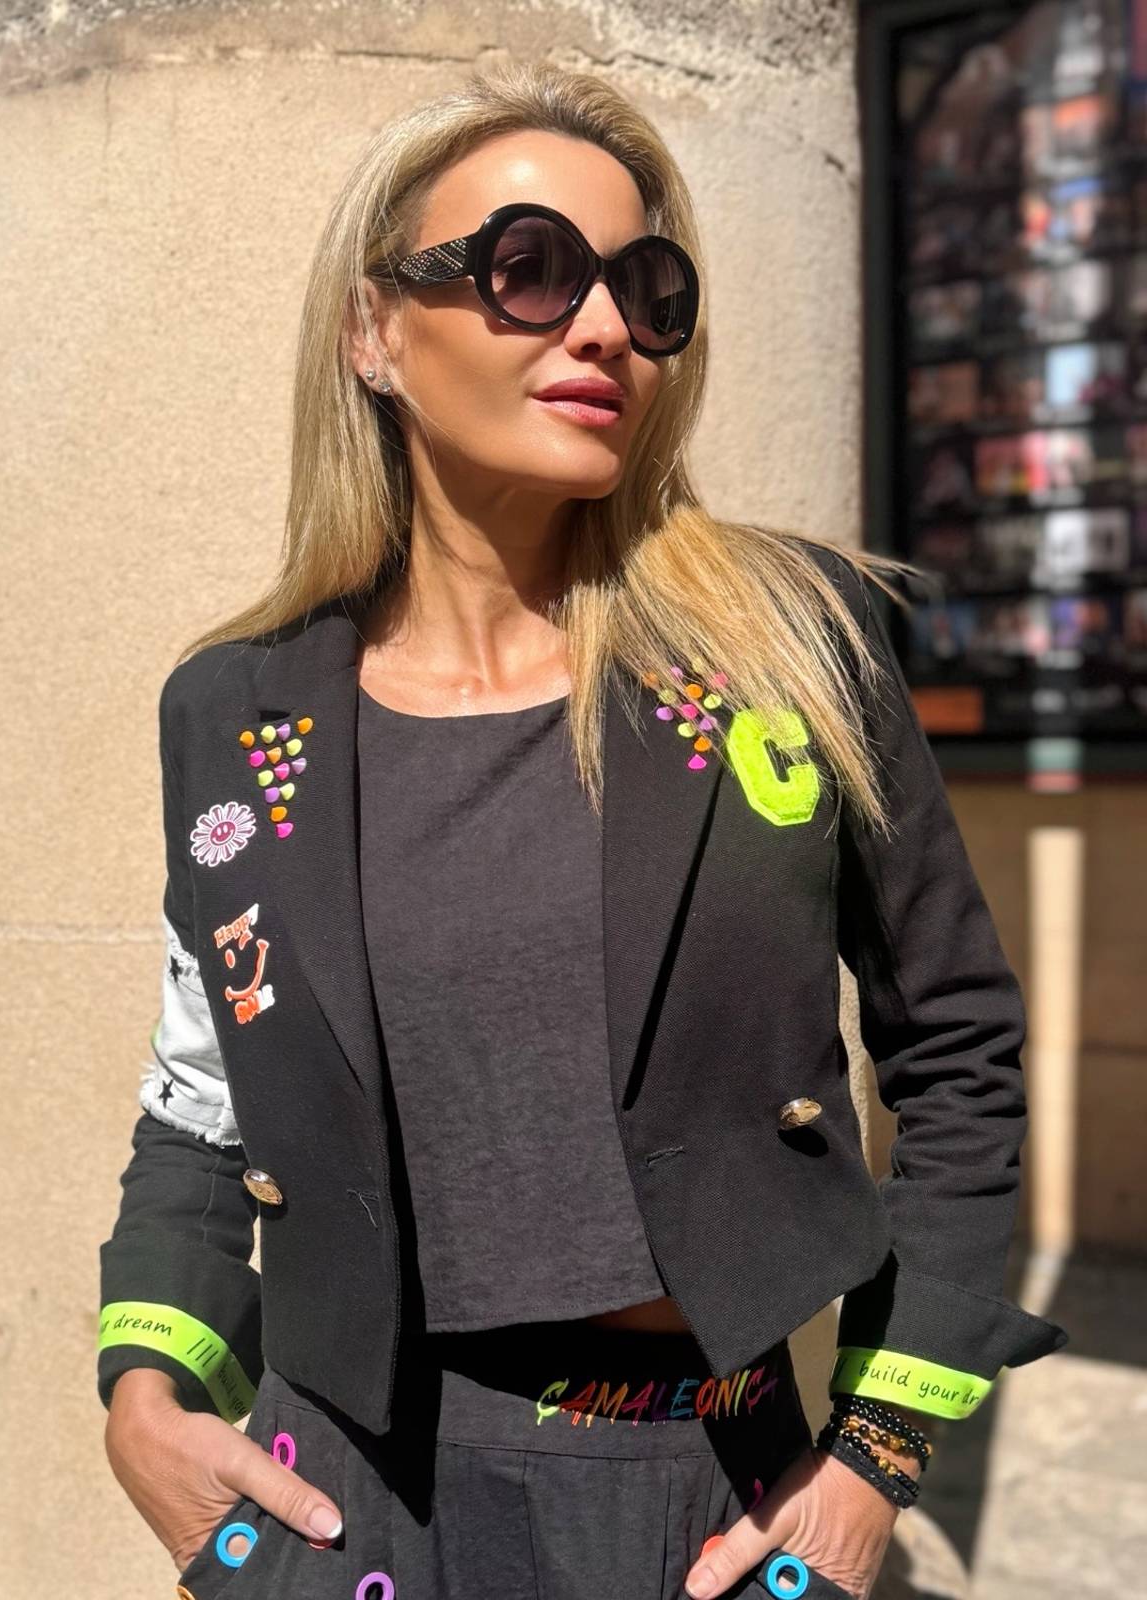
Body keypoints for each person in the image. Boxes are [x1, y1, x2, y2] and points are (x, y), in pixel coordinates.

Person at [97, 61, 1069, 1600]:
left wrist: (878, 1453)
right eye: (532, 267)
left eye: (647, 287)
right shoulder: (234, 712)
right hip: (339, 1500)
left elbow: (956, 1046)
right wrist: (146, 1395)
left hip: (700, 1498)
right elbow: (205, 1091)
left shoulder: (786, 650)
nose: (606, 325)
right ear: (373, 329)